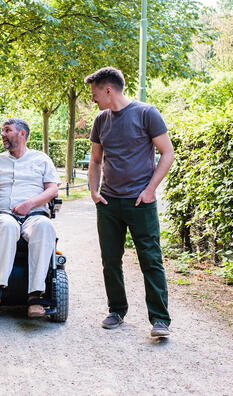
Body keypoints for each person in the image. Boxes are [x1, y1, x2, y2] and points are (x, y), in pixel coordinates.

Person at [85, 66, 175, 337]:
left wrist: (150, 190)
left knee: (151, 259)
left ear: (108, 90)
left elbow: (167, 153)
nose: (93, 99)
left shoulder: (147, 114)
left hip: (140, 202)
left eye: (94, 93)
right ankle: (116, 310)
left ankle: (160, 320)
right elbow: (96, 160)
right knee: (110, 260)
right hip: (109, 202)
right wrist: (93, 190)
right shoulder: (101, 120)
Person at [0, 118, 61, 318]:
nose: (3, 135)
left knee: (44, 227)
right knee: (7, 226)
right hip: (2, 214)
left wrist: (29, 204)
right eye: (2, 131)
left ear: (22, 134)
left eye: (7, 130)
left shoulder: (41, 159)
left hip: (34, 214)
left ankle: (35, 297)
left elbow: (53, 190)